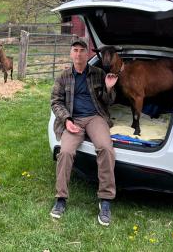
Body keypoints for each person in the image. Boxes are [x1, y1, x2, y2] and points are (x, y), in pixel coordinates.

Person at [50, 36, 118, 226]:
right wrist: (67, 119)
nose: (78, 54)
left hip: (95, 117)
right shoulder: (63, 76)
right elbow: (56, 102)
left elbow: (108, 101)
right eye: (75, 50)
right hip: (74, 119)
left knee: (105, 148)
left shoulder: (97, 73)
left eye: (82, 50)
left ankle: (105, 200)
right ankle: (61, 198)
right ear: (71, 54)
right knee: (65, 152)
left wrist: (109, 88)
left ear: (87, 54)